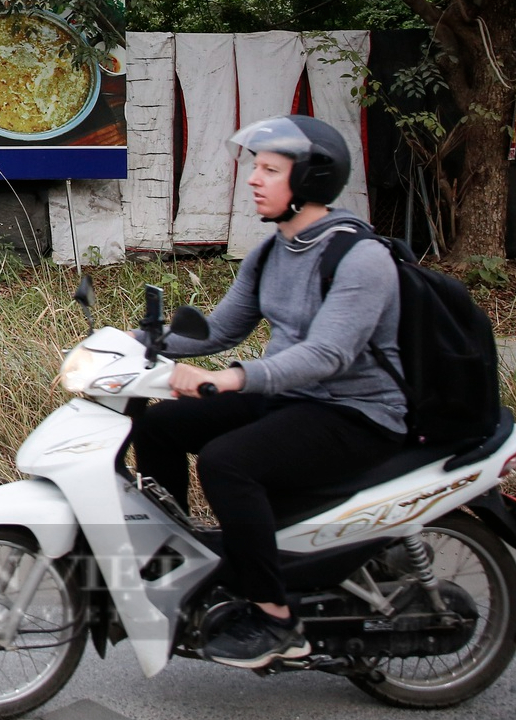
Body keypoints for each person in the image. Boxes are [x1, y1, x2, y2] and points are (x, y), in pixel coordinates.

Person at [131, 114, 406, 670]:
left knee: (228, 462)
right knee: (160, 424)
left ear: (307, 182)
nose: (254, 179)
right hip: (294, 398)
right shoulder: (273, 250)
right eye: (255, 167)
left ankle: (276, 619)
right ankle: (185, 562)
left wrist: (233, 378)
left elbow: (328, 355)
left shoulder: (362, 258)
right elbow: (220, 330)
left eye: (270, 170)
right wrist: (132, 343)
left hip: (358, 412)